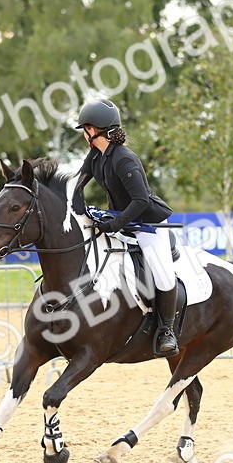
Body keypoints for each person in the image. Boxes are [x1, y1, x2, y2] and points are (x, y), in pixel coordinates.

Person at [74, 97, 179, 356]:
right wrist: (77, 208)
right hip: (120, 219)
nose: (84, 134)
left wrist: (116, 223)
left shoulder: (124, 160)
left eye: (84, 128)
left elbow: (141, 200)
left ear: (93, 130)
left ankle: (167, 330)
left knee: (163, 274)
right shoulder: (95, 155)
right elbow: (78, 182)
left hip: (148, 223)